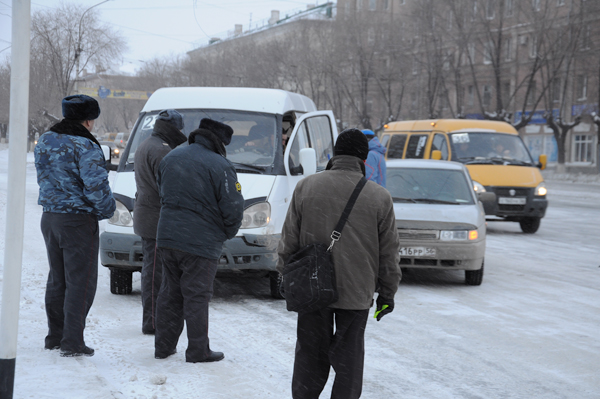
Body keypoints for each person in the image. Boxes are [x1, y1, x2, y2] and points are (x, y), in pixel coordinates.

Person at [276, 128, 401, 399]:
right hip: (356, 291)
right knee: (349, 361)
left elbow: (289, 240)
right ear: (363, 158)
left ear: (334, 154)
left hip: (312, 287)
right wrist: (387, 292)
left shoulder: (306, 187)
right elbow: (389, 253)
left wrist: (284, 275)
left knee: (309, 354)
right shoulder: (379, 197)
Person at [154, 118, 244, 363]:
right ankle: (197, 350)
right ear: (220, 142)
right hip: (200, 243)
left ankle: (163, 346)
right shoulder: (220, 165)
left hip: (166, 236)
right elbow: (233, 207)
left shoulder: (171, 158)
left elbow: (162, 192)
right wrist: (226, 232)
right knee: (196, 295)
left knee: (169, 292)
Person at [34, 94, 116, 357]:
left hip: (50, 217)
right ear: (89, 120)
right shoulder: (86, 146)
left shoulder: (46, 139)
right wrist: (107, 210)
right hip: (78, 221)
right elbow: (96, 187)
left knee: (58, 279)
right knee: (80, 283)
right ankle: (72, 342)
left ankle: (55, 336)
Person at [133, 109, 187, 335]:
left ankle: (153, 318)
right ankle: (153, 322)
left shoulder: (149, 143)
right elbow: (170, 189)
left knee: (154, 272)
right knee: (155, 275)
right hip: (157, 220)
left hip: (150, 217)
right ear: (174, 129)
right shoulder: (161, 150)